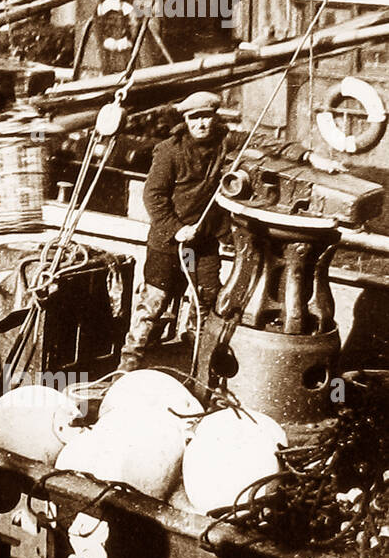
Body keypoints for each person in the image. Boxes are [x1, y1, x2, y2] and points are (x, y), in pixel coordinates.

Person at [117, 90, 341, 371]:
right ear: (186, 121)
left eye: (206, 117)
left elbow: (265, 142)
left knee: (207, 302)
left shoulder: (225, 140)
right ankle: (128, 364)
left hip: (204, 242)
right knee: (153, 302)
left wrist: (309, 156)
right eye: (194, 118)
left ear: (215, 118)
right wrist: (176, 229)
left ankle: (196, 365)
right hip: (169, 242)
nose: (201, 124)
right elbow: (154, 197)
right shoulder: (169, 151)